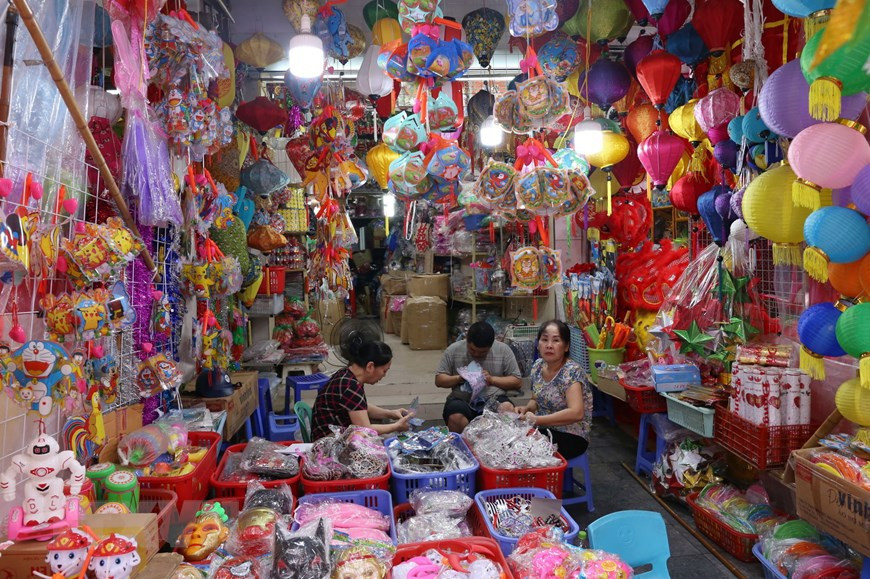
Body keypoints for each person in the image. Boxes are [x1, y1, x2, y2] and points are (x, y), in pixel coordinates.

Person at [502, 320, 591, 459]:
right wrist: (526, 409)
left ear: (566, 346)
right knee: (506, 437)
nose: (549, 345)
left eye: (556, 340)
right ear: (538, 344)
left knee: (521, 448)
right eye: (544, 340)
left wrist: (537, 420)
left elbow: (576, 413)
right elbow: (536, 399)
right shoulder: (538, 366)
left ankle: (538, 480)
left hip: (571, 435)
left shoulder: (572, 372)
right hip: (544, 428)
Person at [311, 336, 413, 440]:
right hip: (326, 444)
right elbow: (365, 429)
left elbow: (360, 407)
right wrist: (396, 426)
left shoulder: (347, 373)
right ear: (370, 366)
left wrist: (390, 414)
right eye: (384, 371)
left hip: (332, 434)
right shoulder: (350, 386)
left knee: (383, 427)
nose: (384, 375)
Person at [436, 321, 522, 433]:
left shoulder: (503, 350)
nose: (476, 355)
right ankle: (461, 447)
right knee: (455, 417)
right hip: (462, 399)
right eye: (472, 350)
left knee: (507, 409)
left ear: (491, 345)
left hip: (493, 397)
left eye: (482, 353)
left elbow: (517, 381)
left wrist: (491, 379)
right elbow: (439, 380)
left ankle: (500, 447)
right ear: (467, 339)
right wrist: (459, 378)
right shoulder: (453, 350)